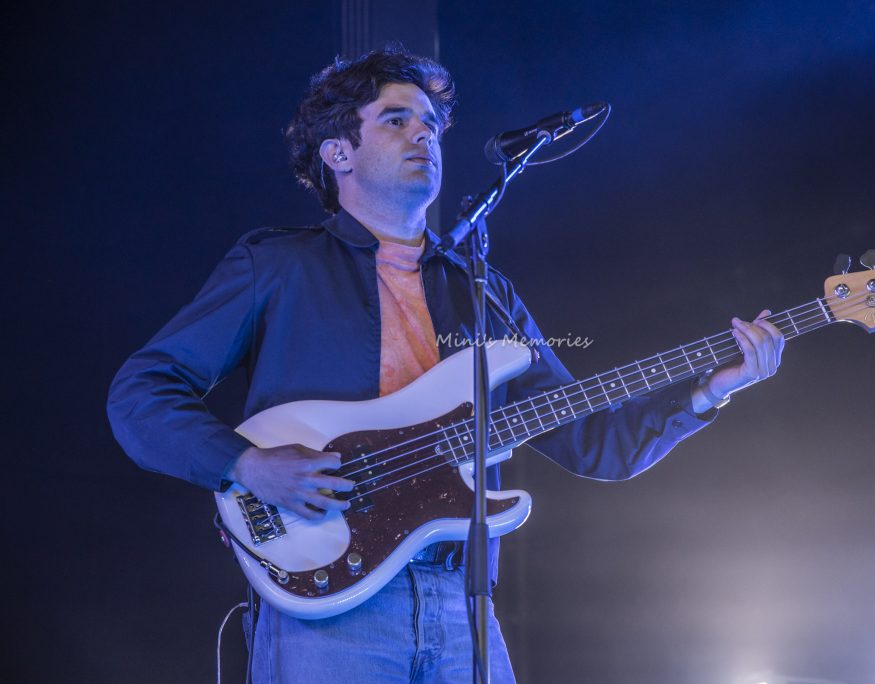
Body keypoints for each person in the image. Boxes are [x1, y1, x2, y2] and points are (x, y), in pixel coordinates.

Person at [107, 47, 785, 683]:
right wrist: (245, 465)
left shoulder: (483, 291)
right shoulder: (279, 266)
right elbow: (141, 392)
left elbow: (592, 442)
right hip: (327, 608)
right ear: (338, 153)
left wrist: (707, 393)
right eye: (396, 120)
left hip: (463, 605)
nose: (424, 135)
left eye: (431, 123)